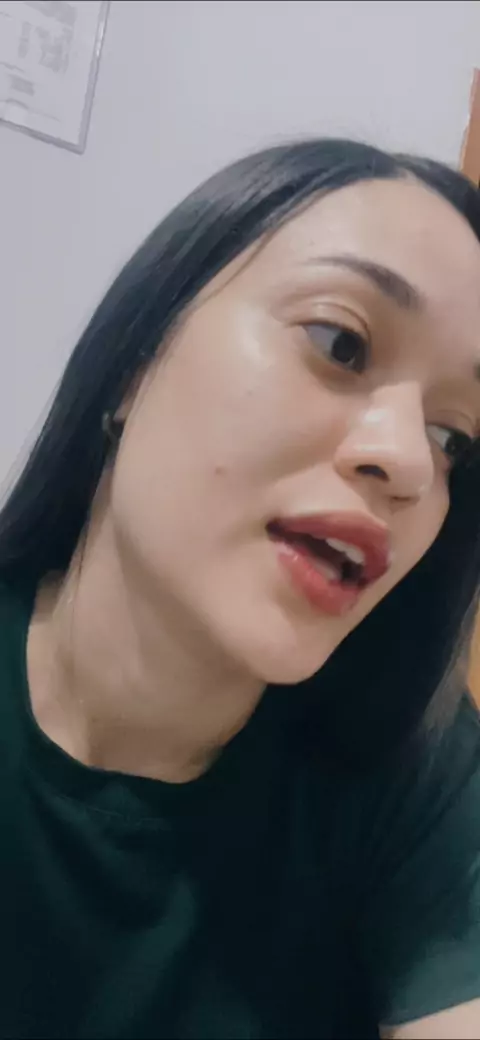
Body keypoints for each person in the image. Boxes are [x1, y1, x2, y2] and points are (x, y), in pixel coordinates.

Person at [1, 139, 480, 1040]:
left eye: (452, 437)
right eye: (341, 343)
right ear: (137, 358)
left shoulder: (416, 763)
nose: (411, 463)